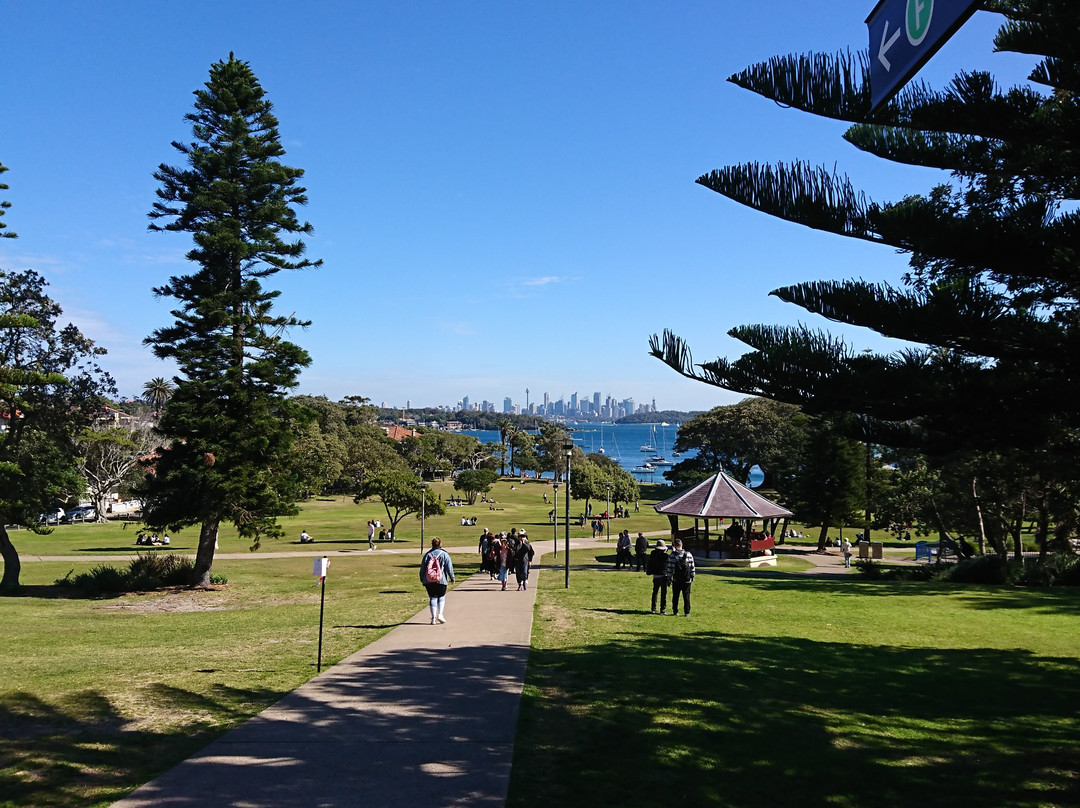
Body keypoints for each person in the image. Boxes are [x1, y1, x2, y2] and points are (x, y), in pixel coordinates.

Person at [420, 537, 455, 624]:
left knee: (433, 597)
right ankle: (440, 614)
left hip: (429, 580)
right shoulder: (444, 554)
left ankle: (433, 618)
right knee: (441, 597)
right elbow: (449, 568)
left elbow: (422, 569)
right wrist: (452, 578)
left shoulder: (427, 555)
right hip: (441, 580)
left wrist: (422, 578)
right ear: (440, 544)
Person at [667, 537, 696, 617]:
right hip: (687, 579)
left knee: (675, 595)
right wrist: (692, 576)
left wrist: (669, 578)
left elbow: (670, 568)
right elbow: (692, 567)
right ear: (682, 545)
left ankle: (675, 611)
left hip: (676, 579)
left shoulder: (672, 555)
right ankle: (687, 612)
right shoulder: (689, 554)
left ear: (675, 546)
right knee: (686, 596)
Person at [647, 539, 671, 614]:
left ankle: (653, 608)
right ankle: (662, 609)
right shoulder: (665, 556)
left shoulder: (653, 555)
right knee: (663, 593)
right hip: (664, 575)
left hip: (656, 576)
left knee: (655, 592)